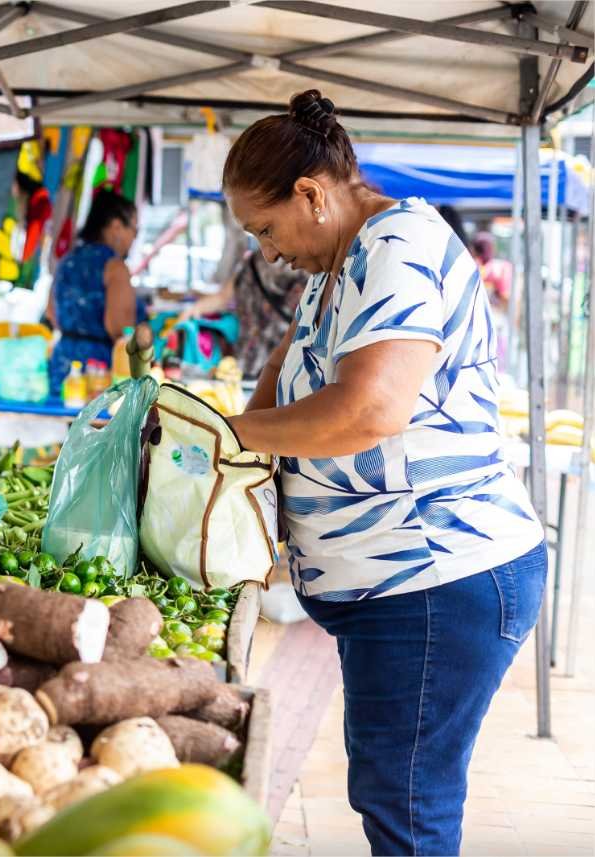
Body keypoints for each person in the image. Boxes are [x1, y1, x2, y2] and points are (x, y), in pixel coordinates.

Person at [221, 90, 544, 856]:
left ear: (311, 193)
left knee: (404, 801)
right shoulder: (339, 263)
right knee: (392, 788)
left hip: (435, 578)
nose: (268, 252)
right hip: (399, 586)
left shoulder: (398, 246)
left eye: (266, 229)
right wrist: (222, 441)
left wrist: (225, 434)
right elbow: (286, 366)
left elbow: (368, 410)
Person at [46, 189, 141, 395]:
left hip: (62, 368)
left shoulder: (67, 260)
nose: (134, 238)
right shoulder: (115, 267)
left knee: (73, 427)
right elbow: (120, 329)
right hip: (97, 374)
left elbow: (51, 313)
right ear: (116, 226)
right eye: (134, 230)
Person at [179, 242, 307, 378]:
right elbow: (223, 297)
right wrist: (193, 310)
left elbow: (222, 297)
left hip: (252, 361)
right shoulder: (297, 262)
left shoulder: (253, 261)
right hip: (282, 362)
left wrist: (193, 310)